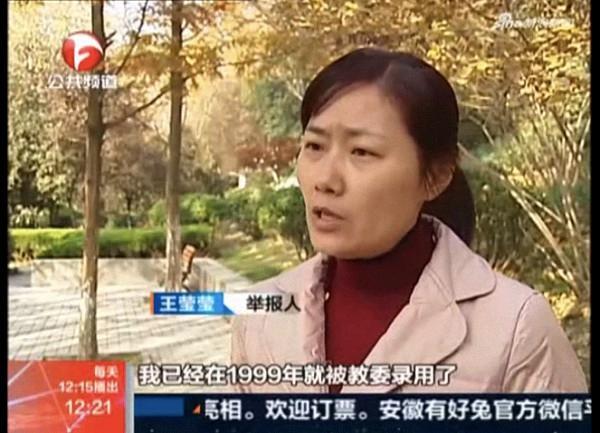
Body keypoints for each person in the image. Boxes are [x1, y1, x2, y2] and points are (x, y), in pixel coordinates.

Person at [230, 47, 587, 393]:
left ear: (436, 176)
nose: (325, 179)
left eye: (362, 152)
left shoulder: (516, 330)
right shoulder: (260, 316)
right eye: (315, 146)